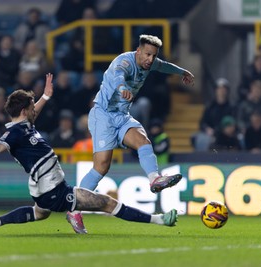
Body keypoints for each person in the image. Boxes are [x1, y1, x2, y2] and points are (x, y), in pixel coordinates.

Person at [0, 74, 178, 235]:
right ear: (24, 110)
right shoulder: (13, 133)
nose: (35, 109)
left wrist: (46, 96)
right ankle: (159, 220)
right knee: (107, 203)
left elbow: (34, 112)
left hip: (43, 189)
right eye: (31, 106)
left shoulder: (24, 124)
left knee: (39, 213)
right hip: (53, 190)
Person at [66, 35, 194, 233]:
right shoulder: (124, 61)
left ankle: (154, 179)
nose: (150, 59)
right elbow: (118, 75)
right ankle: (73, 209)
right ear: (138, 51)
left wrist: (182, 72)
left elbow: (163, 66)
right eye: (147, 54)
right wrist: (123, 88)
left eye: (153, 55)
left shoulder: (150, 63)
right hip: (103, 115)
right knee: (101, 167)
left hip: (122, 116)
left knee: (143, 141)